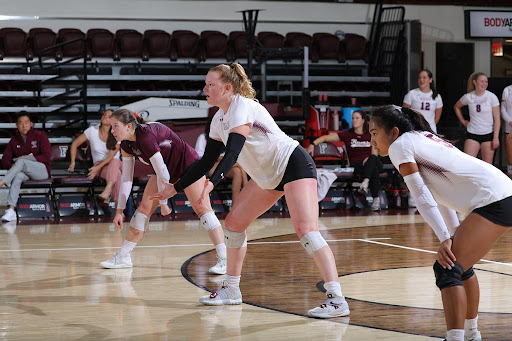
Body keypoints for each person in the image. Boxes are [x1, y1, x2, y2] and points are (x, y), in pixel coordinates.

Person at [151, 63, 350, 318]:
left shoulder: (242, 106)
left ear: (228, 87)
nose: (205, 89)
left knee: (306, 231)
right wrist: (174, 188)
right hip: (266, 177)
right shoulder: (218, 119)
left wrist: (212, 183)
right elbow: (204, 161)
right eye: (205, 84)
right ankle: (231, 289)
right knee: (233, 224)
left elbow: (232, 151)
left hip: (292, 164)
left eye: (211, 84)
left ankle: (336, 299)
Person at [369, 105, 512, 341]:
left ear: (393, 132)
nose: (371, 140)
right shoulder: (422, 138)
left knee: (447, 269)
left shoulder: (400, 146)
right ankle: (471, 333)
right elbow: (438, 194)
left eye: (374, 133)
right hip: (501, 193)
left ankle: (456, 337)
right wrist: (452, 233)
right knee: (458, 265)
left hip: (494, 199)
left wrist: (445, 238)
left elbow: (422, 198)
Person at [100, 109, 227, 276]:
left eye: (115, 126)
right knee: (143, 211)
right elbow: (126, 178)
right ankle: (123, 256)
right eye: (111, 127)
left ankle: (225, 259)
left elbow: (163, 173)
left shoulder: (145, 136)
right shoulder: (126, 144)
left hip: (188, 167)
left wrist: (163, 203)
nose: (112, 131)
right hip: (165, 171)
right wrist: (119, 211)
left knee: (203, 210)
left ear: (129, 126)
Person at [306, 110, 382, 211]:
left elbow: (374, 153)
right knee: (374, 168)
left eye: (357, 118)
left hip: (369, 163)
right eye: (353, 118)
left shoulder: (370, 135)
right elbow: (325, 138)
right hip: (357, 165)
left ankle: (365, 182)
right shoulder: (347, 134)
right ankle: (375, 199)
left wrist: (368, 160)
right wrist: (312, 144)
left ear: (363, 120)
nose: (354, 120)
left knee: (372, 160)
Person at [0, 111, 51, 222]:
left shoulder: (40, 135)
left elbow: (47, 157)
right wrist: (15, 165)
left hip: (42, 171)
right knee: (17, 175)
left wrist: (29, 159)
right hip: (25, 172)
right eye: (21, 123)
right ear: (17, 125)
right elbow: (5, 160)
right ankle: (11, 211)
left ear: (31, 124)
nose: (24, 125)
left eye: (26, 122)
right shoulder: (14, 140)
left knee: (22, 161)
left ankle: (2, 182)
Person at [68, 109, 122, 203]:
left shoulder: (117, 133)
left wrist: (97, 168)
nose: (105, 116)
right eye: (104, 115)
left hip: (112, 163)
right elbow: (74, 144)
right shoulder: (92, 130)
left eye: (109, 116)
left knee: (114, 161)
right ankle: (119, 211)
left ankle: (108, 188)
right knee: (118, 175)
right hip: (100, 166)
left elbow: (110, 157)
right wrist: (72, 163)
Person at [195, 116, 248, 206]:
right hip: (209, 167)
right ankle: (247, 194)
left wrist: (222, 159)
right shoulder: (203, 137)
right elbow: (199, 156)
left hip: (224, 165)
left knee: (238, 171)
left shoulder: (226, 138)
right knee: (239, 166)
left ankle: (235, 205)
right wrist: (217, 158)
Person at [454, 72, 500, 164]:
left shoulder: (491, 97)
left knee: (487, 166)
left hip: (488, 134)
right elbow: (456, 106)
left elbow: (497, 119)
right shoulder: (469, 96)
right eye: (482, 81)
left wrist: (495, 137)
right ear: (475, 82)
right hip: (472, 133)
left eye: (486, 82)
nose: (484, 84)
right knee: (468, 164)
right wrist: (463, 121)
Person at [402, 69, 443, 133]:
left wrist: (428, 127)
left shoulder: (437, 96)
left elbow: (437, 118)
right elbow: (405, 113)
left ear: (430, 80)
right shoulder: (411, 94)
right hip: (414, 130)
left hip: (430, 131)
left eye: (424, 78)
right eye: (419, 78)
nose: (421, 80)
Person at [501, 83, 512, 178]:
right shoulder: (507, 90)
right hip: (509, 128)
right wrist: (510, 122)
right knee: (510, 160)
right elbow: (503, 110)